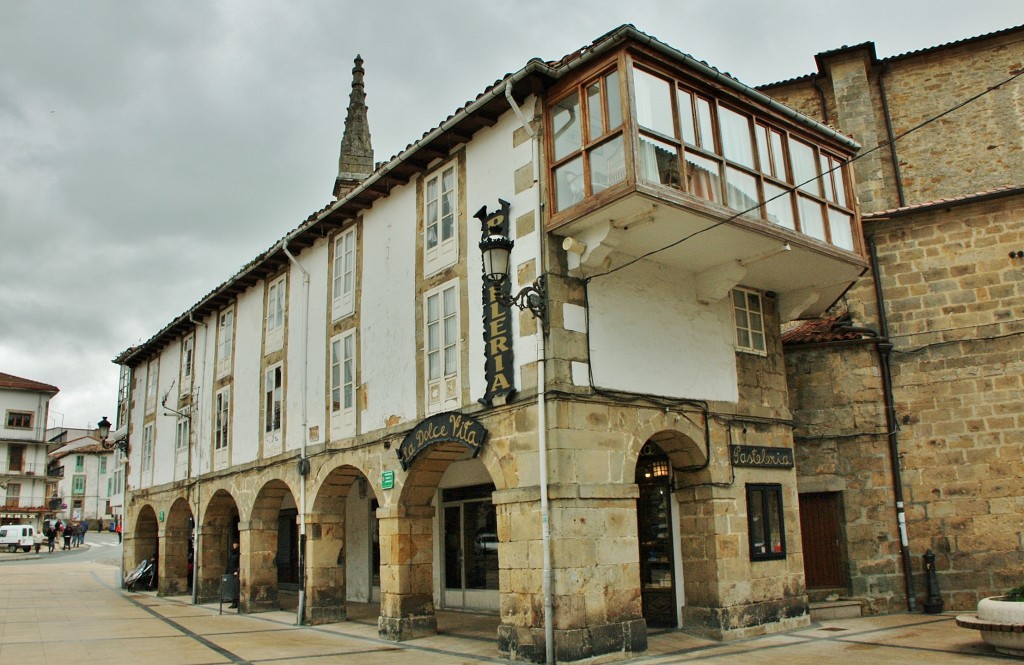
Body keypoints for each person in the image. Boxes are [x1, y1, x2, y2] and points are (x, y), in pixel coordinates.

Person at [226, 541, 240, 608]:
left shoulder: (238, 553)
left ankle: (236, 602)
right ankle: (233, 601)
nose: (234, 545)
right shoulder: (232, 553)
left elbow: (239, 563)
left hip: (235, 572)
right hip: (231, 571)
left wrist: (237, 570)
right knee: (232, 588)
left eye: (235, 544)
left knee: (235, 588)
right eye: (233, 544)